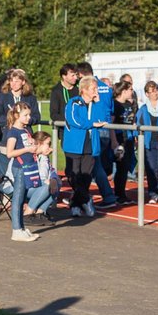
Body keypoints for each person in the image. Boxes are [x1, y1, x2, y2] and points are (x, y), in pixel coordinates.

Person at [63, 76, 107, 218]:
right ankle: (86, 199)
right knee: (74, 175)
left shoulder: (95, 104)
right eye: (93, 88)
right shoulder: (74, 102)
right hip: (74, 145)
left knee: (86, 176)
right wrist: (91, 124)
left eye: (97, 88)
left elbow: (103, 119)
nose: (96, 91)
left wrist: (98, 102)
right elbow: (74, 119)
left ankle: (76, 203)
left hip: (90, 144)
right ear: (84, 90)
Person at [77, 62, 117, 208]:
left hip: (95, 129)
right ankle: (82, 196)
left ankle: (102, 196)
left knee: (92, 165)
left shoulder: (89, 89)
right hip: (106, 128)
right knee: (95, 164)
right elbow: (111, 111)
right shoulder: (106, 88)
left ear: (82, 75)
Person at [3, 102, 41, 242]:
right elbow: (9, 153)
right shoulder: (13, 132)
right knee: (18, 200)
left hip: (27, 167)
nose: (29, 118)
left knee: (22, 198)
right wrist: (27, 150)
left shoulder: (25, 130)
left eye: (29, 115)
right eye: (25, 115)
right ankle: (16, 230)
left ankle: (21, 227)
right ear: (16, 115)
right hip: (19, 168)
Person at [110, 80, 138, 204]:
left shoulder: (129, 104)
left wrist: (135, 137)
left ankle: (121, 194)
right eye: (130, 89)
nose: (132, 92)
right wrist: (115, 142)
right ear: (124, 91)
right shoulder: (115, 105)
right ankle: (118, 194)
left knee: (125, 167)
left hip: (129, 139)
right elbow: (111, 123)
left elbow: (132, 121)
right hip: (119, 139)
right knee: (120, 167)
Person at [24, 131, 60, 221]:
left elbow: (51, 171)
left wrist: (53, 179)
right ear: (39, 144)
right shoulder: (28, 155)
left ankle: (40, 213)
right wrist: (45, 182)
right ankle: (27, 213)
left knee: (56, 183)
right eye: (48, 143)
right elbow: (31, 178)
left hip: (34, 186)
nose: (50, 146)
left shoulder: (42, 156)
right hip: (22, 187)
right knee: (49, 185)